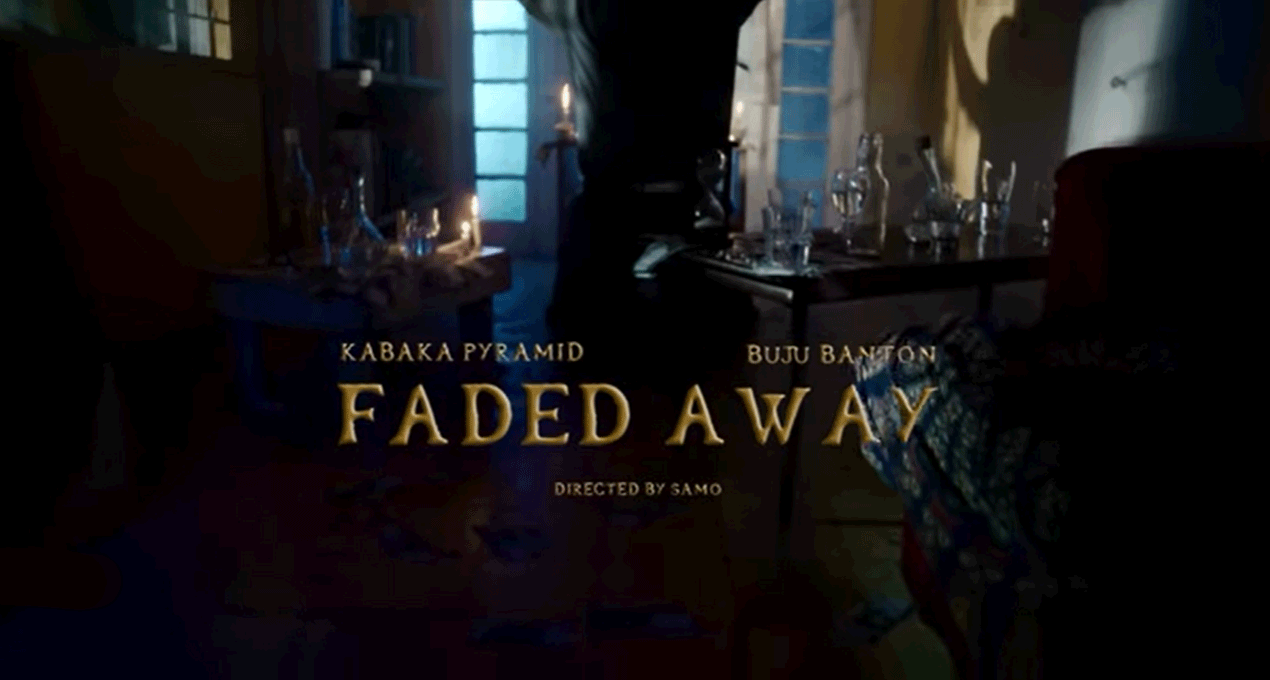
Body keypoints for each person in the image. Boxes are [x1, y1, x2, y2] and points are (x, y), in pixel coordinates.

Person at [519, 0, 762, 351]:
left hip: (610, 219)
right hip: (691, 214)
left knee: (583, 345)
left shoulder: (583, 5)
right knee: (713, 352)